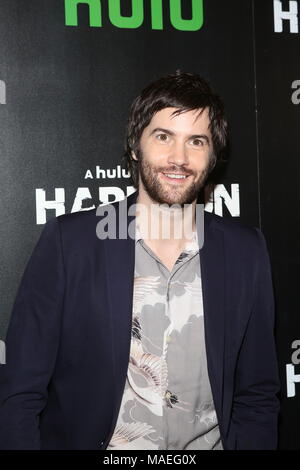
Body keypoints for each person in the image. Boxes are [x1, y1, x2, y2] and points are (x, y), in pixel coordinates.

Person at [0, 71, 280, 450]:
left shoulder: (245, 251)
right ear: (136, 146)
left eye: (196, 141)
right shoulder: (72, 242)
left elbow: (257, 393)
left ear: (213, 157)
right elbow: (20, 389)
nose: (179, 158)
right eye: (163, 136)